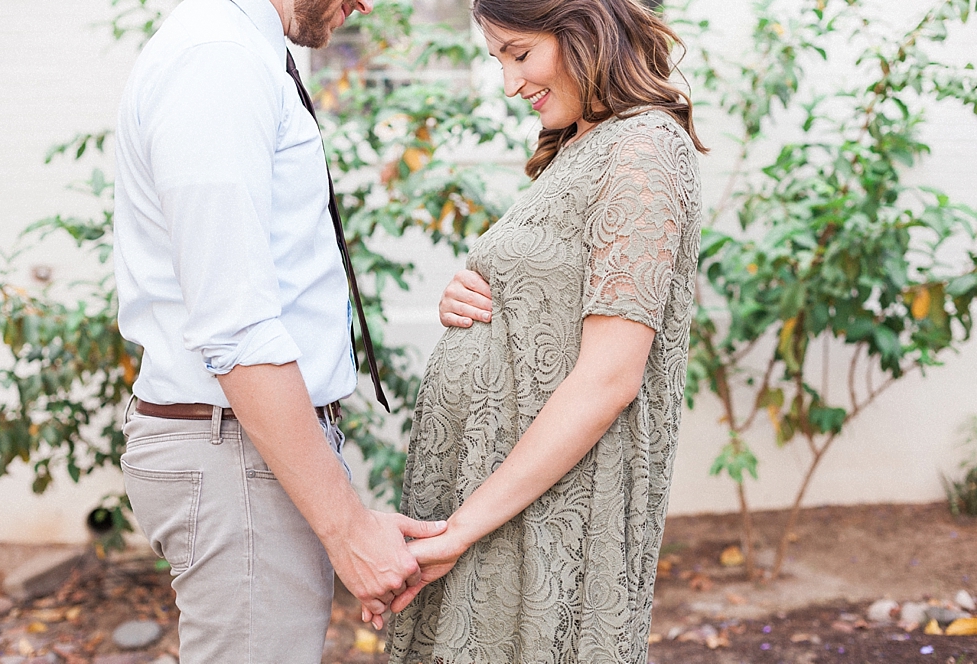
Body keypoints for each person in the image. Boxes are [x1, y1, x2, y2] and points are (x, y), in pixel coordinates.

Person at [112, 0, 447, 661]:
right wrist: (346, 527)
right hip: (234, 445)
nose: (366, 5)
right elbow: (233, 324)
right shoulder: (218, 59)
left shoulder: (236, 50)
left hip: (246, 442)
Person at [383, 0, 706, 661]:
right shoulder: (581, 144)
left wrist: (462, 529)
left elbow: (610, 377)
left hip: (545, 510)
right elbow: (554, 291)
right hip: (496, 492)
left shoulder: (643, 147)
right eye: (496, 61)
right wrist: (474, 297)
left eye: (519, 54)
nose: (510, 85)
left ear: (584, 28)